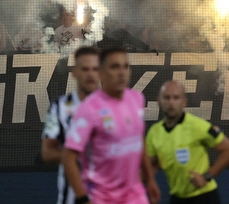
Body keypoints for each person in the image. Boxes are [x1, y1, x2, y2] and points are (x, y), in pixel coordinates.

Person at [63, 46, 161, 204]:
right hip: (102, 198)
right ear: (101, 73)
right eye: (115, 67)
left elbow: (138, 140)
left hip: (135, 195)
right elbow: (69, 157)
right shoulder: (89, 108)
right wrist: (83, 199)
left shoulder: (137, 99)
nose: (122, 72)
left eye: (125, 66)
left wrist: (150, 179)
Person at [146, 81, 229, 204]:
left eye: (176, 98)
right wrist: (149, 181)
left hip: (204, 197)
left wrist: (206, 177)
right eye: (167, 98)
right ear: (159, 101)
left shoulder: (198, 126)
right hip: (177, 197)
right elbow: (151, 165)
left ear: (184, 102)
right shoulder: (154, 132)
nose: (171, 103)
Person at [42, 47, 100, 204]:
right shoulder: (58, 107)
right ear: (74, 72)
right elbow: (47, 152)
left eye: (95, 69)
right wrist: (74, 156)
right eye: (85, 69)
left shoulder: (115, 107)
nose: (90, 74)